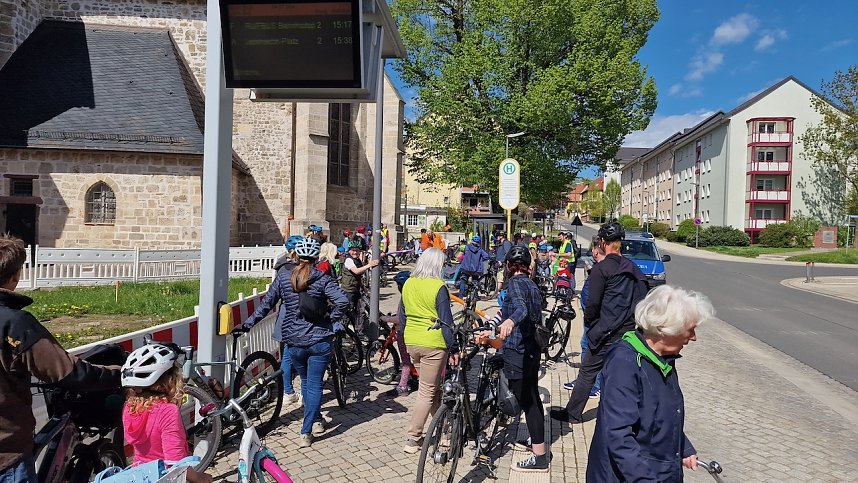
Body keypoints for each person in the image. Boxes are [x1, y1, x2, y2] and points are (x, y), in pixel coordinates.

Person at [0, 235, 121, 481]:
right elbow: (66, 371)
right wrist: (120, 374)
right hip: (6, 454)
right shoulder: (15, 323)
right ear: (14, 276)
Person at [587, 285, 714, 482]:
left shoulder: (663, 359)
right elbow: (619, 435)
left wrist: (683, 447)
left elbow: (661, 416)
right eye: (690, 330)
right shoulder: (625, 363)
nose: (693, 338)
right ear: (664, 329)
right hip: (629, 476)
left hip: (659, 470)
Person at [551, 222, 648, 423]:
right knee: (618, 377)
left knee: (587, 374)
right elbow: (643, 301)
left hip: (603, 332)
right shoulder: (634, 269)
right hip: (628, 334)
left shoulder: (601, 269)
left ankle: (573, 414)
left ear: (603, 243)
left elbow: (592, 304)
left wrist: (592, 324)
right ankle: (618, 417)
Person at [256, 238, 348, 448]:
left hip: (294, 340)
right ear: (317, 258)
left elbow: (266, 305)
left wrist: (247, 324)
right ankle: (307, 429)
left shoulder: (283, 277)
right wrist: (331, 318)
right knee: (314, 384)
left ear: (295, 256)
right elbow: (343, 301)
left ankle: (315, 420)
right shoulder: (322, 278)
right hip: (318, 339)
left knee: (306, 382)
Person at [480, 246, 549, 472]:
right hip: (531, 351)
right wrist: (491, 326)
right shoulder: (531, 284)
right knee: (533, 399)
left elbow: (519, 310)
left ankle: (539, 458)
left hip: (518, 352)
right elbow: (506, 311)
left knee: (527, 402)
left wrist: (510, 323)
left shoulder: (516, 284)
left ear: (509, 267)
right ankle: (537, 442)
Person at [121, 344, 212, 483]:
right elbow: (176, 462)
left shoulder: (130, 407)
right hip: (165, 478)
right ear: (168, 381)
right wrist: (200, 478)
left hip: (140, 476)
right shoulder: (167, 411)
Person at [400, 248, 459, 454]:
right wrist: (454, 348)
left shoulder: (408, 283)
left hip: (412, 341)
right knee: (426, 392)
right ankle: (413, 438)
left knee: (432, 388)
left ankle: (445, 430)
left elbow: (403, 315)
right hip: (433, 343)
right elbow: (446, 321)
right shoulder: (438, 286)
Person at [242, 234, 305, 406]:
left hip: (285, 318)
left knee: (286, 356)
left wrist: (249, 323)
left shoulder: (281, 268)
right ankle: (300, 394)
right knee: (302, 358)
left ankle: (288, 391)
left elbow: (268, 301)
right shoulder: (298, 270)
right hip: (301, 319)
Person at [563, 237, 604, 397]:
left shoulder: (603, 269)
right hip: (590, 317)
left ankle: (596, 384)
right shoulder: (597, 267)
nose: (592, 253)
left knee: (594, 349)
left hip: (596, 318)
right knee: (585, 345)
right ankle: (584, 381)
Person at [381, 270, 415, 397]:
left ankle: (403, 386)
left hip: (403, 331)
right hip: (413, 330)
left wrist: (386, 319)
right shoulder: (413, 295)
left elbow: (400, 319)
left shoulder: (404, 298)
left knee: (405, 360)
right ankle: (414, 377)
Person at [340, 240, 379, 336]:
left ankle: (359, 332)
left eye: (357, 251)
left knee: (360, 311)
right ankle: (342, 333)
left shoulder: (358, 261)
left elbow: (358, 276)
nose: (355, 252)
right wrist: (369, 265)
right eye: (353, 250)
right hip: (348, 291)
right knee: (347, 313)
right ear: (349, 251)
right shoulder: (348, 260)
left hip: (356, 290)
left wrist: (363, 287)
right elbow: (356, 271)